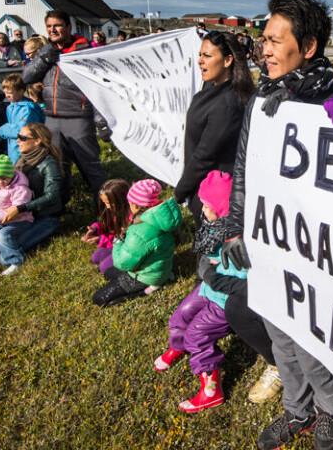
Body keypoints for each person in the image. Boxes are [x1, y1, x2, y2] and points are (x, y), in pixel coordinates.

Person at [218, 0, 333, 450]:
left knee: (312, 339)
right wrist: (236, 224)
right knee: (279, 333)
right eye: (264, 38)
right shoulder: (264, 97)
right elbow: (243, 167)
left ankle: (330, 411)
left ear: (309, 47)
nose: (265, 48)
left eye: (277, 40)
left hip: (311, 247)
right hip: (267, 237)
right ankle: (296, 412)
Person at [156, 170, 244, 413]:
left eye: (207, 206)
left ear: (223, 207)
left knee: (198, 334)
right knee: (181, 315)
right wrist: (208, 269)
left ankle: (211, 389)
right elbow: (208, 257)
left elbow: (241, 277)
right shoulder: (217, 225)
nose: (203, 211)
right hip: (208, 286)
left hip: (225, 298)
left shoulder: (240, 239)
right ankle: (179, 344)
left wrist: (214, 272)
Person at [173, 30, 253, 230]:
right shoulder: (211, 88)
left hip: (214, 198)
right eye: (200, 55)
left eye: (207, 56)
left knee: (211, 257)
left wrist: (179, 192)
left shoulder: (227, 103)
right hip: (202, 188)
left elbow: (204, 156)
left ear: (227, 61)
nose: (200, 61)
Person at [22, 10, 106, 200]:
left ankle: (106, 208)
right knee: (58, 166)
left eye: (58, 25)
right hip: (52, 118)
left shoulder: (84, 50)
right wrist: (43, 59)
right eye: (49, 26)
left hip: (78, 117)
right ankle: (58, 207)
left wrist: (100, 119)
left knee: (90, 165)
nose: (53, 30)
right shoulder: (46, 51)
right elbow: (27, 77)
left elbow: (98, 85)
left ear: (69, 27)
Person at [91, 179, 181, 307]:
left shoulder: (140, 231)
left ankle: (146, 290)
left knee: (99, 299)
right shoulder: (161, 218)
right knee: (109, 273)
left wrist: (117, 244)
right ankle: (163, 277)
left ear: (136, 206)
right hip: (159, 268)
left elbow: (123, 262)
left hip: (144, 276)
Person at [0, 122, 65, 254]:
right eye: (18, 136)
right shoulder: (22, 160)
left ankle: (49, 233)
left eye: (23, 138)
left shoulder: (49, 163)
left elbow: (52, 196)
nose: (17, 140)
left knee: (10, 247)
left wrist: (20, 208)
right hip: (26, 215)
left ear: (37, 141)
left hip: (46, 216)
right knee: (0, 244)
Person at [82, 178, 130, 275]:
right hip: (116, 242)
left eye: (109, 203)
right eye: (105, 203)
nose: (107, 207)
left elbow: (124, 240)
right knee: (95, 258)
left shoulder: (130, 216)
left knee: (104, 268)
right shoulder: (113, 211)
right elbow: (108, 227)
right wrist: (95, 229)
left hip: (126, 247)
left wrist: (100, 239)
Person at [0, 74, 45, 164]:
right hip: (14, 148)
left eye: (10, 93)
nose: (7, 96)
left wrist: (3, 129)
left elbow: (22, 131)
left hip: (27, 149)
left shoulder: (28, 109)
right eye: (5, 93)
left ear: (21, 91)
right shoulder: (10, 107)